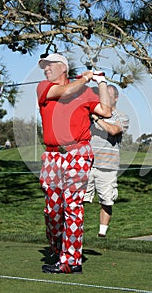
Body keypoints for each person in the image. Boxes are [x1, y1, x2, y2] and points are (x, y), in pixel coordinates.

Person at [36, 53, 111, 274]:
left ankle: (71, 261)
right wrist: (85, 79)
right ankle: (59, 249)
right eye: (44, 66)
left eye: (50, 65)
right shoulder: (43, 87)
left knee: (72, 206)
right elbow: (66, 91)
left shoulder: (85, 92)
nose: (46, 69)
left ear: (63, 67)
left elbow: (106, 111)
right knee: (52, 210)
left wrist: (101, 82)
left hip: (78, 152)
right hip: (52, 156)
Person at [84, 84, 129, 237]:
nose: (104, 97)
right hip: (89, 164)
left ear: (115, 98)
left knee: (106, 200)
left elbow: (113, 130)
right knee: (80, 199)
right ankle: (76, 230)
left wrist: (96, 119)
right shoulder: (93, 112)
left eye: (108, 95)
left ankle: (101, 234)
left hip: (108, 166)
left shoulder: (121, 117)